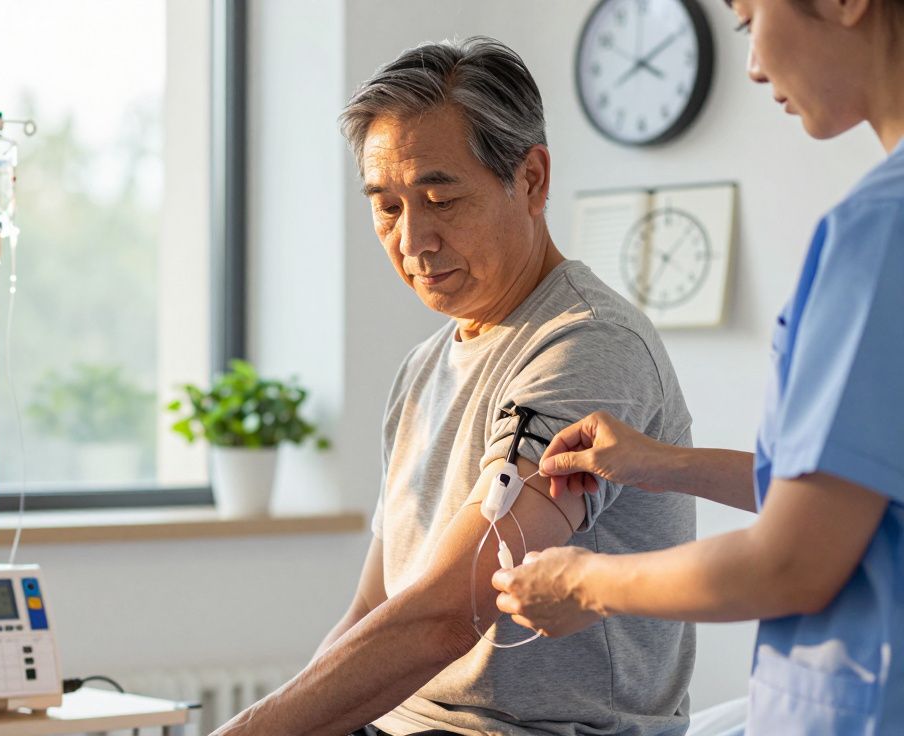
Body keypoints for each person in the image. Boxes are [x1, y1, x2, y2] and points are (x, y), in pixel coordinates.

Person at [213, 38, 698, 736]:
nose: (413, 240)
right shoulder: (424, 367)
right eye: (386, 207)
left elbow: (450, 611)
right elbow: (373, 612)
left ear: (532, 179)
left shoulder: (589, 347)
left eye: (441, 199)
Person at [492, 1, 904, 733]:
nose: (751, 64)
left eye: (748, 22)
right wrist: (665, 464)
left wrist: (586, 583)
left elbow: (792, 562)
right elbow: (859, 492)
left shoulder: (880, 232)